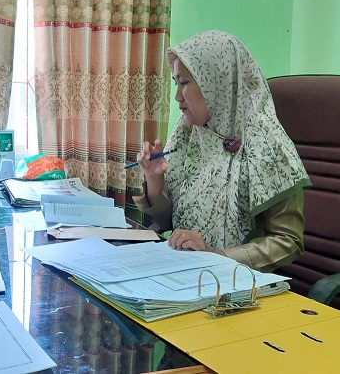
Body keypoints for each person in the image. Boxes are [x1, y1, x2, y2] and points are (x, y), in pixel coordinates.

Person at [133, 30, 311, 273]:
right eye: (176, 83)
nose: (177, 97)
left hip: (239, 282)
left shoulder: (267, 145)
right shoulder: (187, 134)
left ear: (217, 82)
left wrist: (217, 256)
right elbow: (168, 222)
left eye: (184, 83)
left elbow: (288, 242)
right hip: (187, 272)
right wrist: (155, 179)